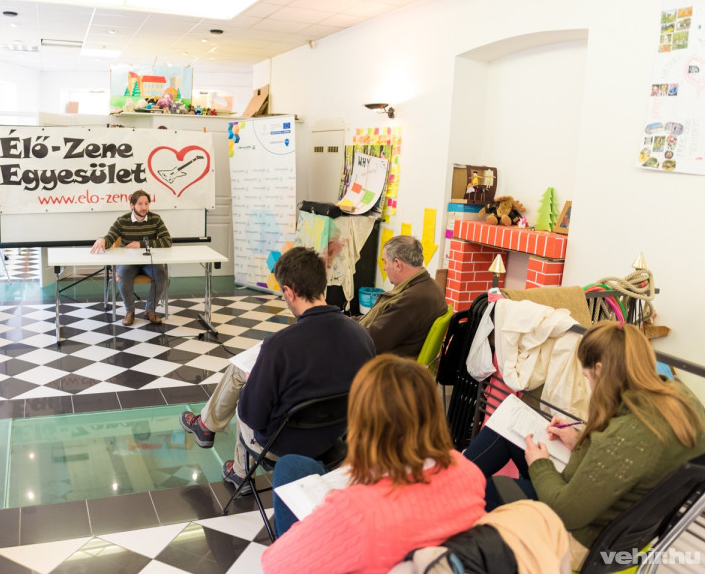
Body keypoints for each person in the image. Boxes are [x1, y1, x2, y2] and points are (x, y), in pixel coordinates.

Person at [464, 321, 705, 568]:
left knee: (489, 489)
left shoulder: (627, 436)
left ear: (600, 370)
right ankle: (450, 482)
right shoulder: (677, 397)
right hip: (619, 521)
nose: (589, 385)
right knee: (507, 434)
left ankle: (456, 516)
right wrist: (579, 440)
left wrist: (540, 465)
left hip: (586, 541)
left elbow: (566, 512)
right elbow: (631, 458)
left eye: (587, 376)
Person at [261, 355, 486, 574]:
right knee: (294, 466)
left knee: (289, 468)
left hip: (361, 534)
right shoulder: (466, 469)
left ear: (361, 423)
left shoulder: (356, 513)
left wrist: (324, 519)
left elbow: (274, 564)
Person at [179, 247, 375, 491]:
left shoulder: (279, 346)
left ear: (289, 292)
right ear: (322, 284)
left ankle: (240, 473)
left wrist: (253, 383)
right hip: (335, 437)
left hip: (281, 445)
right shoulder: (362, 336)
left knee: (243, 397)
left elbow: (252, 416)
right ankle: (210, 431)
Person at [90, 189, 172, 326]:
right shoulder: (122, 221)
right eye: (140, 204)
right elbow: (110, 238)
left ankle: (150, 310)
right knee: (123, 275)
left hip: (149, 261)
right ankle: (130, 312)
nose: (144, 207)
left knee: (161, 275)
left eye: (146, 204)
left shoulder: (156, 219)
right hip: (129, 262)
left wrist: (140, 244)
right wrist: (102, 239)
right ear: (132, 205)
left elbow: (167, 241)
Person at [358, 235, 447, 359]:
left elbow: (372, 341)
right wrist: (345, 320)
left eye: (385, 262)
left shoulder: (413, 299)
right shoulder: (429, 286)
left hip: (387, 365)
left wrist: (343, 327)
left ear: (397, 264)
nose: (384, 268)